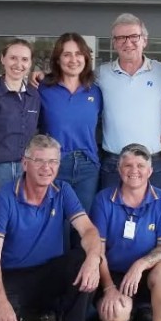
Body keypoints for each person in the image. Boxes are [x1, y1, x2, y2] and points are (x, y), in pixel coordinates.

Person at [0, 135, 103, 321]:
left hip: (49, 273)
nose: (46, 168)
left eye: (53, 162)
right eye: (39, 161)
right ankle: (9, 319)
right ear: (25, 163)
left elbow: (89, 231)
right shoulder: (4, 197)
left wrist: (93, 260)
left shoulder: (63, 190)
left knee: (82, 259)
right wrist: (0, 301)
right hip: (15, 277)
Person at [92, 143, 161, 321]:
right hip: (113, 276)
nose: (134, 170)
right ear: (119, 169)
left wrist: (139, 265)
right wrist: (109, 288)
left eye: (141, 165)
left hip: (146, 275)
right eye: (128, 165)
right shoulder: (103, 199)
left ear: (150, 171)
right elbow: (97, 250)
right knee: (114, 315)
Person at [95, 14, 161, 190]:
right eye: (121, 38)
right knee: (110, 216)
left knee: (152, 215)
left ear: (144, 40)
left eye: (133, 36)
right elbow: (70, 81)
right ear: (114, 43)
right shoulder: (101, 74)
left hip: (151, 161)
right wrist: (38, 76)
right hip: (113, 162)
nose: (127, 42)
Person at [0, 38, 40, 230]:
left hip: (26, 173)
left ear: (30, 63)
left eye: (24, 60)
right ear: (2, 59)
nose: (18, 64)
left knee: (21, 234)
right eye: (13, 58)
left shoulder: (35, 96)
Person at [38, 33, 103, 223]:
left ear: (85, 58)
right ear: (58, 59)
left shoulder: (95, 91)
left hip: (88, 166)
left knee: (83, 224)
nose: (73, 60)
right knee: (56, 223)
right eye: (67, 54)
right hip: (55, 165)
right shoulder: (43, 89)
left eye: (78, 54)